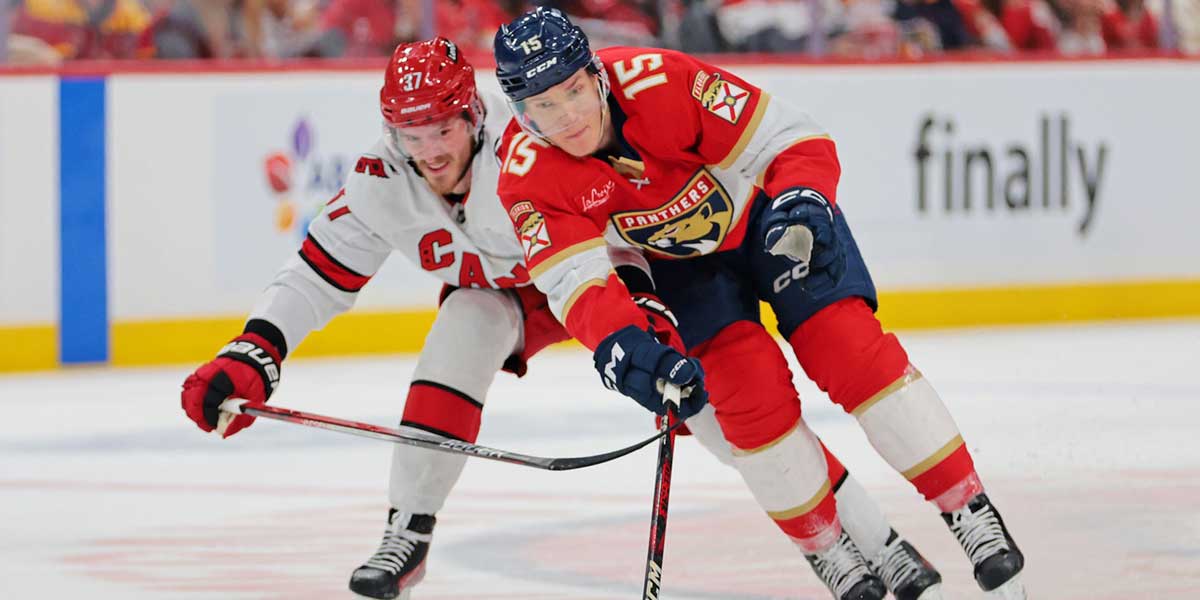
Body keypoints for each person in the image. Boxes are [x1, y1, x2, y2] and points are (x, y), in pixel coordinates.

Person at [181, 35, 941, 600]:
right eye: (411, 135)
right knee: (462, 325)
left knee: (724, 415)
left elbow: (621, 241)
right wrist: (252, 354)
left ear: (473, 114)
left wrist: (648, 331)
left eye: (442, 128)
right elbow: (314, 275)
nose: (429, 150)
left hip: (607, 281)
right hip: (518, 300)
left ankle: (875, 540)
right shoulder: (383, 181)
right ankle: (405, 534)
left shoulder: (529, 155)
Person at [494, 7, 1026, 600]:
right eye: (544, 105)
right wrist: (628, 346)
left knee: (849, 350)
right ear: (520, 111)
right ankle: (827, 548)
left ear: (595, 74)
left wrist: (802, 198)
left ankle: (968, 508)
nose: (567, 116)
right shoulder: (526, 176)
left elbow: (790, 137)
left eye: (573, 90)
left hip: (769, 222)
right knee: (751, 405)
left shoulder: (662, 80)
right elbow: (577, 285)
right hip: (681, 276)